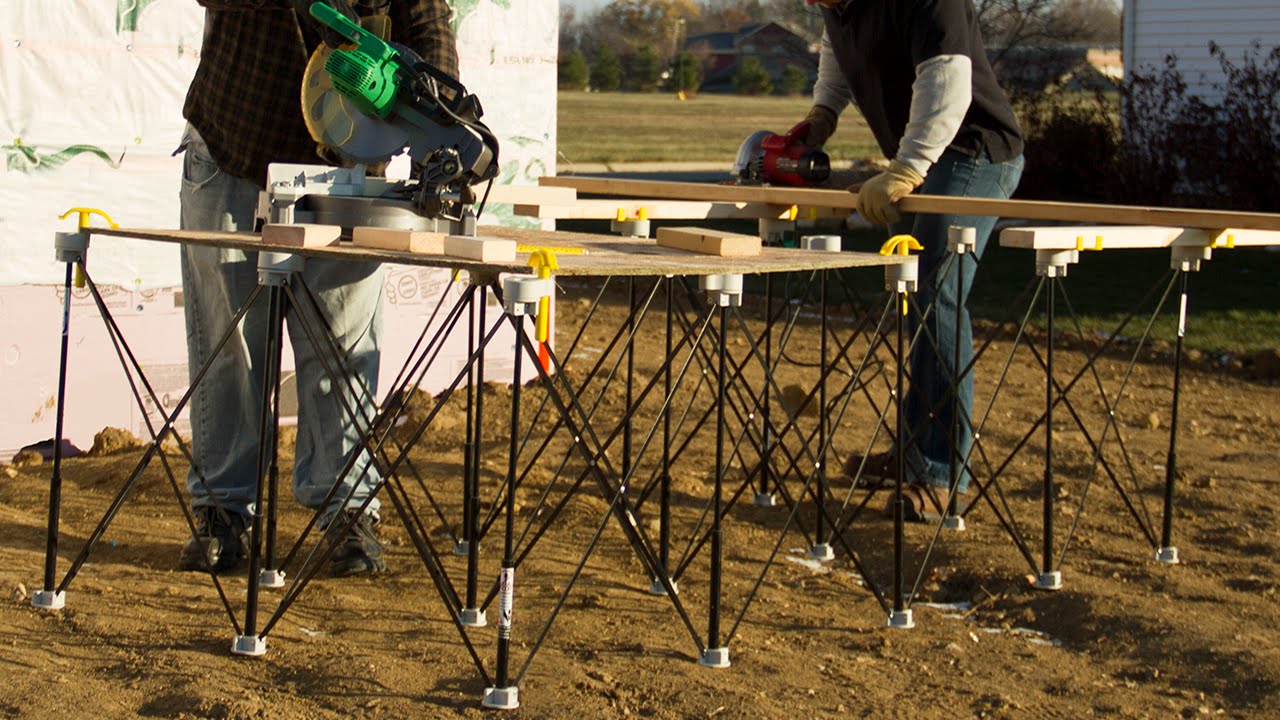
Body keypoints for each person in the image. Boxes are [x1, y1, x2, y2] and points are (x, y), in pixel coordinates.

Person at [176, 0, 459, 575]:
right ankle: (223, 513)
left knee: (343, 347)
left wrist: (443, 117)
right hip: (235, 144)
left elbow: (427, 18)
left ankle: (348, 510)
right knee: (232, 347)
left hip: (349, 161)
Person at [796, 0, 1025, 520]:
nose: (812, 4)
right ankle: (914, 451)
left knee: (935, 292)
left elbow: (949, 81)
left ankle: (942, 477)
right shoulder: (838, 7)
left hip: (975, 153)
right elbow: (839, 53)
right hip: (929, 156)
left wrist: (906, 169)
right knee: (916, 295)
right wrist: (821, 115)